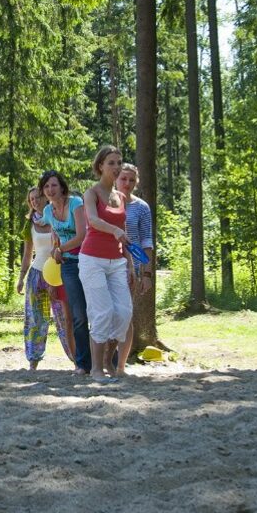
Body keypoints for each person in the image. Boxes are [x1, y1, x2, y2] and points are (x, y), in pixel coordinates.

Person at [78, 145, 134, 382]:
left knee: (123, 312)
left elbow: (124, 231)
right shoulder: (91, 193)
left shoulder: (120, 197)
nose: (116, 167)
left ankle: (107, 361)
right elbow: (92, 220)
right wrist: (113, 230)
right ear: (100, 166)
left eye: (119, 162)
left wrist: (130, 262)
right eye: (111, 162)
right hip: (92, 260)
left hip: (117, 261)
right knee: (102, 313)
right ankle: (97, 370)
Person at [16, 187, 75, 369]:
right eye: (31, 199)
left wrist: (54, 279)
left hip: (56, 274)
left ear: (44, 198)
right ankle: (33, 360)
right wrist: (21, 277)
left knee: (64, 318)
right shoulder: (29, 224)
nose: (34, 201)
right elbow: (27, 254)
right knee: (35, 318)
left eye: (37, 197)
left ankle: (76, 358)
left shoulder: (56, 218)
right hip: (36, 274)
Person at [41, 169, 91, 376]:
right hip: (68, 266)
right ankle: (83, 364)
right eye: (46, 186)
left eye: (53, 185)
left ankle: (109, 359)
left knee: (97, 313)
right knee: (78, 315)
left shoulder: (76, 203)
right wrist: (56, 248)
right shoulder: (47, 212)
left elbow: (82, 235)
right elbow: (55, 235)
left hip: (89, 262)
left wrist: (60, 248)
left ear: (62, 186)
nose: (50, 190)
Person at [117, 162, 155, 374]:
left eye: (131, 180)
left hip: (133, 266)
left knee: (125, 313)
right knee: (106, 312)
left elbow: (146, 240)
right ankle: (105, 360)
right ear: (115, 178)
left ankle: (120, 363)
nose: (127, 183)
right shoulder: (105, 202)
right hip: (106, 262)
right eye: (123, 178)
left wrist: (146, 273)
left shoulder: (141, 207)